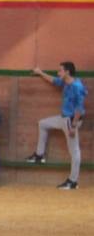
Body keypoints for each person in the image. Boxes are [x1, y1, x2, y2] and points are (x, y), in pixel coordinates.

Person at [26, 62, 86, 190]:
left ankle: (73, 181)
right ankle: (39, 155)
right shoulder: (66, 82)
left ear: (67, 72)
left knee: (74, 151)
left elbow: (79, 108)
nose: (58, 73)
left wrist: (74, 126)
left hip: (71, 120)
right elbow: (54, 80)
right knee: (43, 124)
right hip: (64, 118)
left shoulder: (77, 86)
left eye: (60, 71)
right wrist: (40, 72)